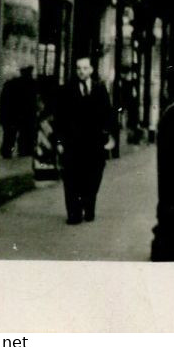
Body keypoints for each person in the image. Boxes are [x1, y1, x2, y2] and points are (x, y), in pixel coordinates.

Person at [53, 56, 117, 224]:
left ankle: (88, 206)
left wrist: (109, 136)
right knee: (72, 178)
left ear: (91, 70)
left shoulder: (100, 89)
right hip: (72, 143)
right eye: (78, 68)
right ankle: (73, 213)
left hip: (95, 144)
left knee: (93, 177)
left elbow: (108, 114)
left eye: (85, 68)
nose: (81, 71)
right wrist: (59, 142)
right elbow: (59, 119)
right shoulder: (66, 90)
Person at [0, 66, 37, 159]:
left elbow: (4, 102)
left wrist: (3, 117)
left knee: (9, 137)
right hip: (26, 116)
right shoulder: (33, 84)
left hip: (12, 116)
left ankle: (6, 153)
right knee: (24, 138)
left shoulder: (10, 83)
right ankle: (23, 154)